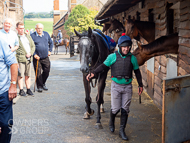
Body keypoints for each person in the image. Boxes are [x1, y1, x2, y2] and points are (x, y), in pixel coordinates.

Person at [86, 35, 143, 141]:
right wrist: (93, 73)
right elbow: (103, 66)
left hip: (127, 87)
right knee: (116, 108)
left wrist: (140, 85)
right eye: (124, 47)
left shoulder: (133, 58)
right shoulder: (113, 57)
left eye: (128, 47)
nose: (126, 49)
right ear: (120, 47)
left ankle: (122, 131)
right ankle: (111, 121)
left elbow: (137, 72)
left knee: (125, 109)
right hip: (116, 86)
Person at [0, 38, 18, 143]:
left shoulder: (1, 42)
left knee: (6, 125)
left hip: (2, 91)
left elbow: (13, 63)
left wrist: (13, 85)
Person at [30, 23, 53, 92]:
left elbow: (51, 43)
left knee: (47, 71)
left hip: (45, 57)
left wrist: (50, 51)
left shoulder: (46, 34)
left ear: (42, 29)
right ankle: (39, 86)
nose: (39, 30)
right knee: (38, 72)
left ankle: (42, 83)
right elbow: (30, 46)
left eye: (41, 28)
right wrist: (34, 54)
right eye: (38, 28)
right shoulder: (32, 36)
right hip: (37, 58)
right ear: (36, 29)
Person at [16, 22, 35, 96]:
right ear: (17, 29)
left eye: (23, 28)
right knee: (20, 75)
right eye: (20, 28)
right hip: (20, 59)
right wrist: (16, 61)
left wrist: (31, 53)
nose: (22, 30)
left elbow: (33, 46)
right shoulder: (16, 37)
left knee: (28, 75)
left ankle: (28, 89)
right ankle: (21, 90)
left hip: (29, 58)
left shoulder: (28, 36)